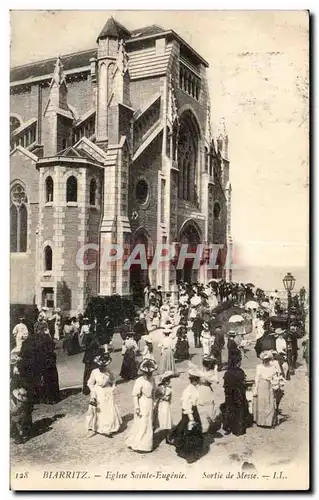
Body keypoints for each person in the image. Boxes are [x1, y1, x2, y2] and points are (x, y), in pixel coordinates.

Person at [167, 368, 204, 463]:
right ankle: (189, 455)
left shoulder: (194, 388)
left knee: (191, 430)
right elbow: (185, 405)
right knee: (190, 433)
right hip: (189, 413)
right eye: (198, 379)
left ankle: (174, 436)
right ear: (195, 380)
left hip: (193, 411)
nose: (199, 381)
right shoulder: (188, 390)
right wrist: (191, 419)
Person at [87, 352, 122, 436]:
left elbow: (113, 380)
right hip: (99, 392)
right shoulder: (94, 372)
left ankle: (110, 427)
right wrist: (93, 392)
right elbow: (90, 383)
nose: (102, 367)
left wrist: (113, 387)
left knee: (109, 409)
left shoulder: (108, 371)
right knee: (101, 409)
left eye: (103, 366)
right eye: (100, 366)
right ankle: (101, 427)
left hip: (108, 392)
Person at [126, 359, 157, 452]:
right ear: (143, 372)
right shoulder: (139, 381)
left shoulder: (152, 379)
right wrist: (137, 406)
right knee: (142, 422)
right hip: (142, 403)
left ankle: (146, 444)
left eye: (150, 373)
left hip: (150, 402)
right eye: (147, 373)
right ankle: (138, 444)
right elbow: (135, 394)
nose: (149, 375)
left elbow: (154, 391)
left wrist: (154, 402)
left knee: (149, 422)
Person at [221, 352, 252, 436]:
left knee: (230, 409)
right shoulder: (240, 372)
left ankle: (228, 426)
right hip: (238, 395)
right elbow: (243, 384)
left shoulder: (227, 373)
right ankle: (238, 430)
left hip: (229, 395)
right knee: (239, 410)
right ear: (237, 363)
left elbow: (225, 385)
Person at [253, 351, 282, 428]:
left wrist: (276, 385)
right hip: (261, 385)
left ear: (270, 359)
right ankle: (261, 421)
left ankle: (268, 422)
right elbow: (257, 378)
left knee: (269, 402)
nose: (266, 361)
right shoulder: (259, 367)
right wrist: (255, 390)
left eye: (268, 359)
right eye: (265, 359)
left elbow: (276, 378)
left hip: (269, 385)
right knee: (262, 402)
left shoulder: (273, 367)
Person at [197, 356, 218, 433]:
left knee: (201, 407)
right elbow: (216, 380)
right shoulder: (211, 373)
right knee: (209, 407)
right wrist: (215, 370)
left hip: (200, 389)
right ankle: (207, 426)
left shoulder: (200, 372)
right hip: (207, 390)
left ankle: (203, 426)